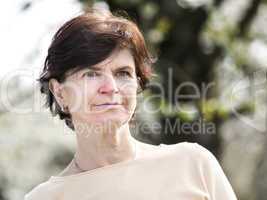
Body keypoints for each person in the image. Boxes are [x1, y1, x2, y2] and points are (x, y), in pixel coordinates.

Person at [24, 9, 237, 200]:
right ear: (59, 93)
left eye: (123, 73)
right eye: (91, 74)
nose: (110, 87)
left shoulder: (193, 165)